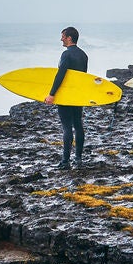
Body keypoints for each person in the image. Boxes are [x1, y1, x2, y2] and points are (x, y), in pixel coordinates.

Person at [44, 26, 88, 168]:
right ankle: (79, 160)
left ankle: (65, 161)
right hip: (78, 96)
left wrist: (51, 94)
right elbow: (83, 78)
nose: (61, 39)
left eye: (63, 36)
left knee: (67, 127)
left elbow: (60, 75)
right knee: (78, 125)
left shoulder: (66, 54)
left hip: (66, 96)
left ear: (69, 38)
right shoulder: (84, 55)